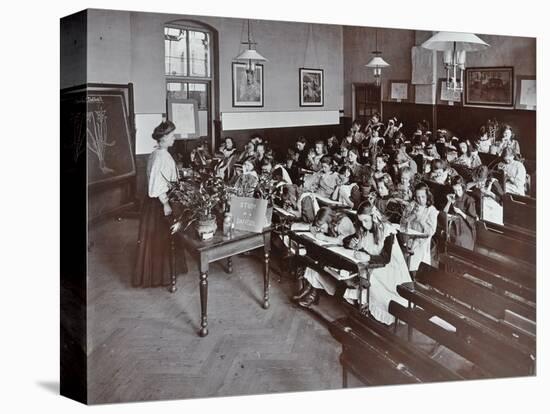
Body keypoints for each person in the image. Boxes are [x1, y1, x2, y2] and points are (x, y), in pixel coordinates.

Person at [341, 203, 411, 324]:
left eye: (366, 221)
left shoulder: (387, 230)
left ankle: (369, 309)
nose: (363, 224)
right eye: (361, 221)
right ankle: (364, 306)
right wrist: (350, 243)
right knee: (358, 272)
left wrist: (368, 256)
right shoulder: (364, 228)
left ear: (374, 217)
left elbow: (386, 258)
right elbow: (347, 239)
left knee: (369, 277)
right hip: (375, 264)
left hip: (390, 269)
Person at [134, 120, 179, 288]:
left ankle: (159, 274)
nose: (174, 138)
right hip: (158, 204)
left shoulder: (157, 153)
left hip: (155, 202)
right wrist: (165, 203)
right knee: (160, 239)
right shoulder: (161, 156)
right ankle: (160, 276)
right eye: (172, 135)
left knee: (157, 240)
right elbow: (155, 185)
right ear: (165, 137)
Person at [294, 208, 356, 307]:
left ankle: (313, 293)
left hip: (347, 258)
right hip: (333, 252)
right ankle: (310, 289)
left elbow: (343, 241)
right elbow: (313, 227)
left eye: (322, 227)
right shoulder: (327, 222)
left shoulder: (343, 222)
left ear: (329, 221)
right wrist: (316, 230)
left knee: (318, 260)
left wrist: (324, 238)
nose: (321, 230)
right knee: (313, 258)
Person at [399, 183, 439, 271]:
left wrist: (421, 221)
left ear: (427, 196)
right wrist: (409, 216)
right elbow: (402, 221)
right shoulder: (412, 205)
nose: (420, 200)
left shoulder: (431, 210)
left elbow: (431, 231)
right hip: (408, 238)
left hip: (422, 241)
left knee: (413, 259)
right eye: (417, 197)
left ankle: (413, 274)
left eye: (423, 197)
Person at [444, 176, 477, 250]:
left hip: (465, 226)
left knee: (459, 239)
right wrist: (449, 202)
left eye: (459, 190)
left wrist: (460, 212)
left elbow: (473, 221)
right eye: (455, 190)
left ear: (463, 188)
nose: (457, 193)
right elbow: (444, 213)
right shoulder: (452, 196)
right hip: (452, 224)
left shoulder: (469, 200)